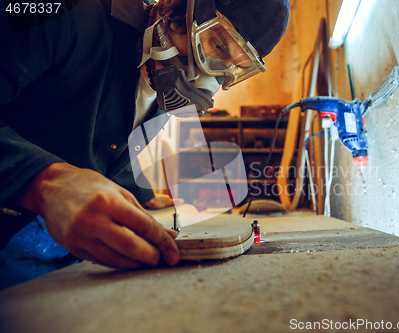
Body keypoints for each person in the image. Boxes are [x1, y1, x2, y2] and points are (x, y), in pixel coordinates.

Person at [0, 0, 289, 288]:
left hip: (63, 257)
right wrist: (44, 181)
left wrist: (141, 193)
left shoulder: (160, 80)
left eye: (232, 67)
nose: (209, 76)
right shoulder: (63, 13)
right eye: (218, 45)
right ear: (176, 7)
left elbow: (106, 140)